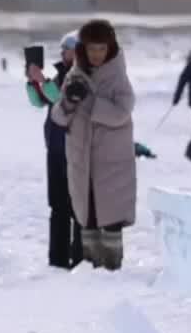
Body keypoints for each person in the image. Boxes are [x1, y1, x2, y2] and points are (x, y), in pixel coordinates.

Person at [50, 19, 136, 271]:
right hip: (82, 162)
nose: (97, 54)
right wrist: (69, 101)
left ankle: (111, 272)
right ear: (83, 50)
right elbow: (58, 117)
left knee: (110, 221)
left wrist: (88, 102)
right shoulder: (75, 75)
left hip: (112, 165)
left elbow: (122, 112)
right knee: (87, 219)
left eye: (101, 48)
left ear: (109, 48)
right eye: (91, 49)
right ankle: (90, 273)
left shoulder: (118, 77)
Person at [25, 33, 82, 269]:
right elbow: (40, 103)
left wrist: (45, 83)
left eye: (66, 48)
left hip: (77, 150)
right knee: (58, 206)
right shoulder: (61, 74)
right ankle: (58, 259)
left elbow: (65, 102)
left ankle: (81, 258)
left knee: (78, 208)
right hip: (56, 150)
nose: (61, 53)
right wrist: (33, 83)